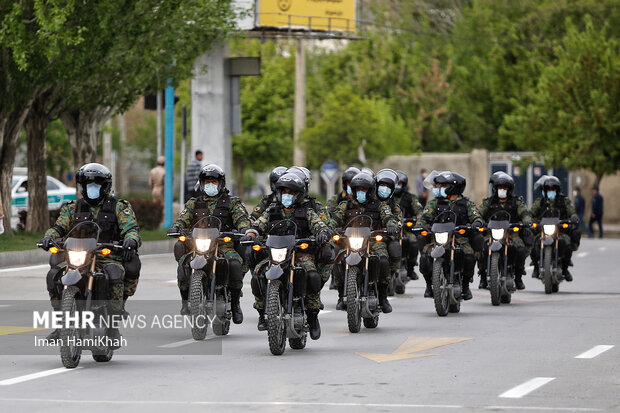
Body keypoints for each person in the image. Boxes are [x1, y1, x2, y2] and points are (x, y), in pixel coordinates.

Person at [40, 163, 141, 341]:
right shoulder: (73, 208)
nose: (92, 187)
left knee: (115, 272)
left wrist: (130, 240)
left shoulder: (119, 206)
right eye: (88, 184)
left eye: (97, 183)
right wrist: (49, 237)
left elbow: (131, 228)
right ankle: (61, 324)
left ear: (106, 186)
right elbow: (58, 228)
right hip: (77, 256)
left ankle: (113, 324)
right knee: (53, 274)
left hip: (106, 256)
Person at [245, 172, 332, 339]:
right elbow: (258, 224)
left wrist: (321, 232)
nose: (287, 196)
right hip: (275, 253)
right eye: (284, 192)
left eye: (291, 193)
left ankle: (313, 317)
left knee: (312, 274)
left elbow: (318, 224)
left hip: (299, 253)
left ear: (298, 194)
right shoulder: (272, 210)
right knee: (257, 274)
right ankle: (262, 311)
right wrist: (251, 234)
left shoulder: (307, 211)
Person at [168, 164, 251, 322]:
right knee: (183, 264)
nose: (210, 185)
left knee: (234, 264)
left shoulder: (232, 202)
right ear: (201, 183)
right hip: (198, 244)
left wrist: (244, 229)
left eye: (214, 182)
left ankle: (235, 303)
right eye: (207, 182)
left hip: (223, 245)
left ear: (221, 183)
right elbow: (183, 218)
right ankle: (186, 301)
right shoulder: (193, 203)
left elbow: (242, 219)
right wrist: (177, 227)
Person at [331, 171, 400, 313]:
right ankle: (341, 295)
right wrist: (328, 228)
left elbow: (389, 217)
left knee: (383, 259)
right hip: (350, 241)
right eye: (357, 189)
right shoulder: (346, 205)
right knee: (338, 259)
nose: (360, 192)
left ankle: (382, 297)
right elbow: (334, 219)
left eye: (364, 189)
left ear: (370, 190)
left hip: (373, 241)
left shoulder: (381, 206)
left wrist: (392, 224)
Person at [417, 171, 484, 300]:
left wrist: (477, 223)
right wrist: (421, 224)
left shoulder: (466, 204)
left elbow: (477, 216)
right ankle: (429, 285)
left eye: (445, 185)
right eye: (440, 185)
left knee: (469, 257)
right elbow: (424, 217)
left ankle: (465, 286)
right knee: (425, 257)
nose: (441, 188)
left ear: (454, 186)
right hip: (437, 238)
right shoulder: (435, 203)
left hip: (459, 238)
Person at [478, 172, 532, 290]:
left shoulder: (516, 201)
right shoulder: (489, 202)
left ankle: (518, 277)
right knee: (482, 248)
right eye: (499, 187)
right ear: (495, 188)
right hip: (492, 233)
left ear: (509, 189)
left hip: (511, 233)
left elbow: (525, 213)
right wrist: (478, 222)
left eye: (504, 187)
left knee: (520, 249)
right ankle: (482, 276)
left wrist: (527, 221)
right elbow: (479, 213)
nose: (502, 190)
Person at [530, 176, 580, 281]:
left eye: (553, 190)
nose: (551, 192)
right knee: (533, 241)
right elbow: (531, 213)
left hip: (560, 231)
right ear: (545, 191)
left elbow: (571, 211)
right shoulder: (540, 202)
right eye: (548, 190)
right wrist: (529, 219)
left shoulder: (564, 201)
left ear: (557, 190)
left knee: (567, 243)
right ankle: (535, 266)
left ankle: (565, 269)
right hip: (543, 231)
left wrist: (573, 217)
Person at [394, 170, 424, 280]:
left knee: (413, 242)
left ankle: (410, 268)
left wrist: (419, 221)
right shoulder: (386, 197)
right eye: (395, 184)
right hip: (390, 229)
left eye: (400, 184)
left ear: (404, 185)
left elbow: (419, 211)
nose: (397, 186)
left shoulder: (411, 198)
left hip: (406, 229)